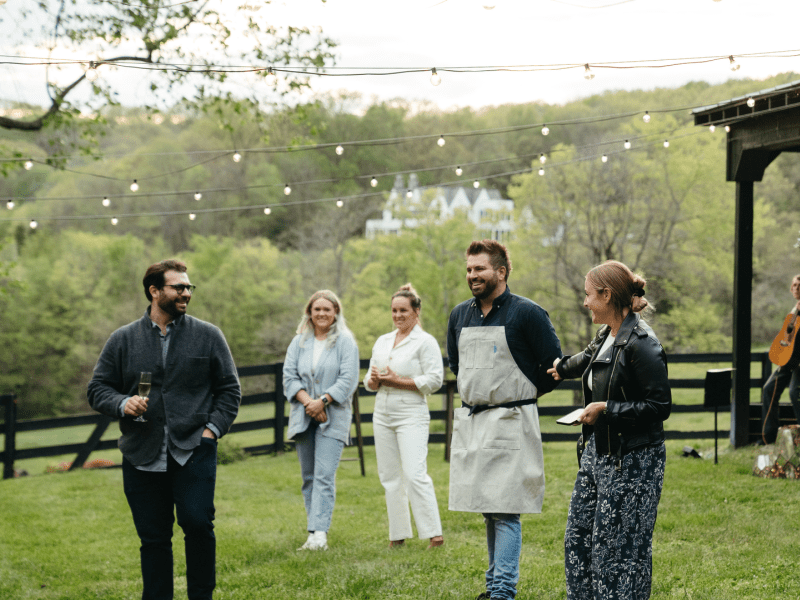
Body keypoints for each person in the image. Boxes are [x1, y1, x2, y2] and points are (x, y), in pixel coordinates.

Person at [87, 259, 241, 600]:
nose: (187, 293)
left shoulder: (208, 335)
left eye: (189, 287)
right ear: (155, 291)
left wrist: (211, 431)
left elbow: (230, 390)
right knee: (154, 538)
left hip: (193, 450)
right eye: (179, 287)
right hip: (141, 453)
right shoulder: (123, 339)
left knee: (198, 524)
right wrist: (122, 403)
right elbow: (97, 389)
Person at [548, 260, 671, 600]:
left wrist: (606, 409)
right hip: (596, 454)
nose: (585, 302)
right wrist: (559, 368)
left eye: (589, 295)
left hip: (633, 461)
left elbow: (660, 407)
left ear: (607, 294)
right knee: (578, 540)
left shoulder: (643, 343)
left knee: (618, 551)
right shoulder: (607, 333)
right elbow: (586, 358)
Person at [446, 240, 562, 600]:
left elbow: (551, 368)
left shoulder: (527, 313)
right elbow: (456, 364)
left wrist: (518, 397)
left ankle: (502, 592)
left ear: (501, 271)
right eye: (468, 269)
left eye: (479, 268)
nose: (472, 275)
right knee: (487, 508)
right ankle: (493, 585)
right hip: (474, 420)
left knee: (507, 510)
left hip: (512, 420)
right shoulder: (459, 315)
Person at [365, 283, 445, 549]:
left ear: (416, 311)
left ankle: (434, 534)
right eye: (394, 311)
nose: (398, 315)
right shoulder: (382, 341)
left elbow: (435, 380)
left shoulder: (425, 342)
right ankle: (397, 535)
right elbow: (369, 380)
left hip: (411, 413)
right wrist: (375, 380)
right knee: (389, 476)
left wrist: (399, 380)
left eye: (403, 310)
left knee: (414, 473)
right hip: (382, 413)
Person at [283, 290, 359, 551]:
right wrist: (309, 404)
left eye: (327, 309)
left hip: (333, 417)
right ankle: (312, 532)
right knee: (309, 477)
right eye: (317, 309)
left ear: (336, 312)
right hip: (304, 417)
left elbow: (348, 380)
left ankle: (320, 534)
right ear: (309, 313)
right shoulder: (299, 343)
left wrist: (323, 401)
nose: (322, 314)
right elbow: (289, 378)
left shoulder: (345, 342)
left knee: (324, 476)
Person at [761, 274, 800, 444]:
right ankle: (768, 438)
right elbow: (788, 333)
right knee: (768, 388)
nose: (796, 288)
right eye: (794, 285)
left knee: (794, 393)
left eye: (799, 285)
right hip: (789, 359)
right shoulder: (794, 309)